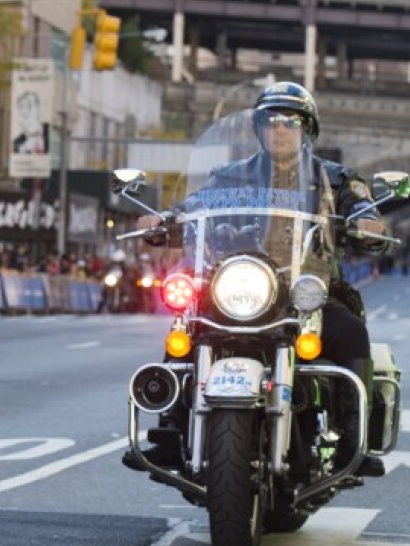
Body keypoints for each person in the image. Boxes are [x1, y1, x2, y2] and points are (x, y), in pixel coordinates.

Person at [123, 81, 390, 478]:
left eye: (291, 122)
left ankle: (354, 442)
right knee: (189, 326)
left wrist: (368, 224)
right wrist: (163, 220)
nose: (280, 130)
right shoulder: (230, 177)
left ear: (307, 130)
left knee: (351, 332)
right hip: (240, 285)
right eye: (271, 121)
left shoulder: (334, 178)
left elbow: (365, 210)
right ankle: (169, 430)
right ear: (259, 129)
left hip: (305, 293)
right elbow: (192, 206)